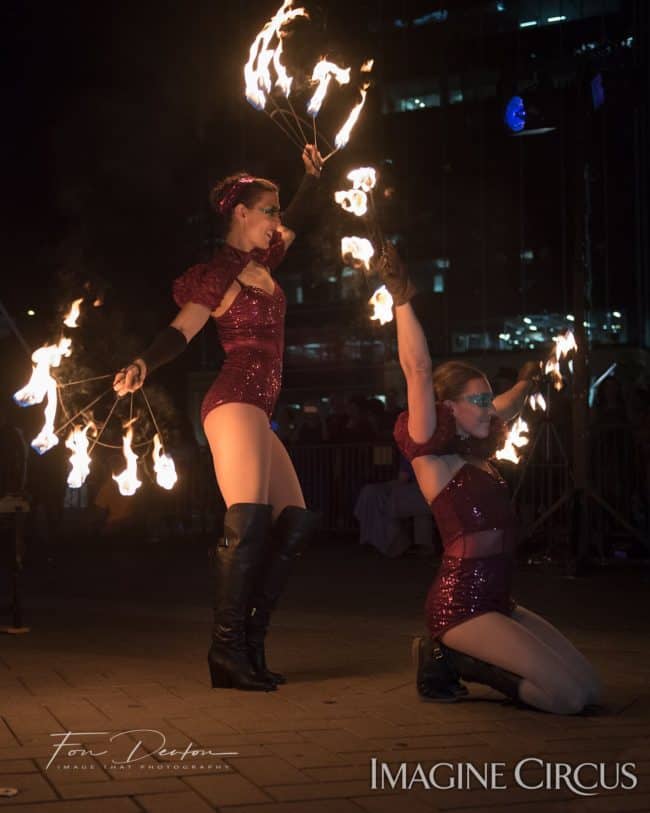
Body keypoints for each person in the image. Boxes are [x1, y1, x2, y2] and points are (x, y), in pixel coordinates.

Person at [113, 146, 323, 692]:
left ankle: (250, 647)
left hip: (259, 406)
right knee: (250, 517)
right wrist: (143, 362)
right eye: (268, 210)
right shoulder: (218, 275)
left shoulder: (265, 262)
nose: (277, 220)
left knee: (294, 519)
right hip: (233, 401)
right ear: (242, 214)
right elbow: (182, 330)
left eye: (277, 211)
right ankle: (226, 653)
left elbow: (297, 220)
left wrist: (311, 176)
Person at [375, 243, 602, 715]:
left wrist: (528, 379)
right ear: (449, 409)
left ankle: (466, 657)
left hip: (500, 599)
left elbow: (511, 402)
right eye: (476, 401)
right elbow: (417, 369)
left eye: (486, 399)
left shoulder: (474, 447)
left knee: (592, 687)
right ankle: (459, 659)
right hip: (461, 607)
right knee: (569, 699)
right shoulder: (434, 458)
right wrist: (401, 297)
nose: (487, 407)